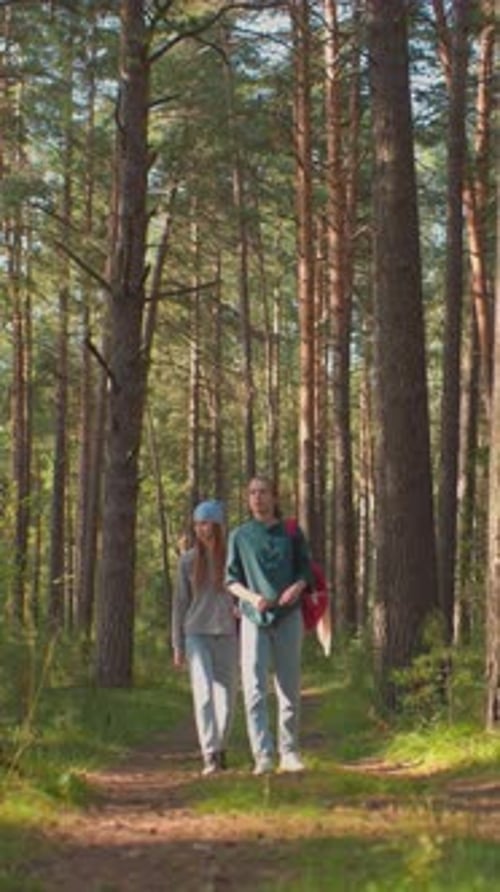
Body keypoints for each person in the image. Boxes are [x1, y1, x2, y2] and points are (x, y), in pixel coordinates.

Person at [225, 475, 313, 775]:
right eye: (252, 493)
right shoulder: (239, 535)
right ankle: (262, 755)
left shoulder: (290, 532)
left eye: (263, 492)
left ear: (274, 497)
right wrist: (251, 598)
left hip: (289, 617)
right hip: (253, 619)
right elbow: (231, 580)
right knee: (254, 689)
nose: (257, 497)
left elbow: (306, 571)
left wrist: (296, 588)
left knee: (288, 687)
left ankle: (288, 752)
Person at [172, 500, 238, 776]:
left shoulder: (233, 559)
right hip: (196, 634)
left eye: (206, 523)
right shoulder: (187, 560)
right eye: (198, 523)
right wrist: (177, 645)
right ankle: (209, 753)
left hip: (227, 634)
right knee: (203, 697)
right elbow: (179, 604)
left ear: (218, 525)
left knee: (227, 698)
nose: (201, 528)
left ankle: (221, 747)